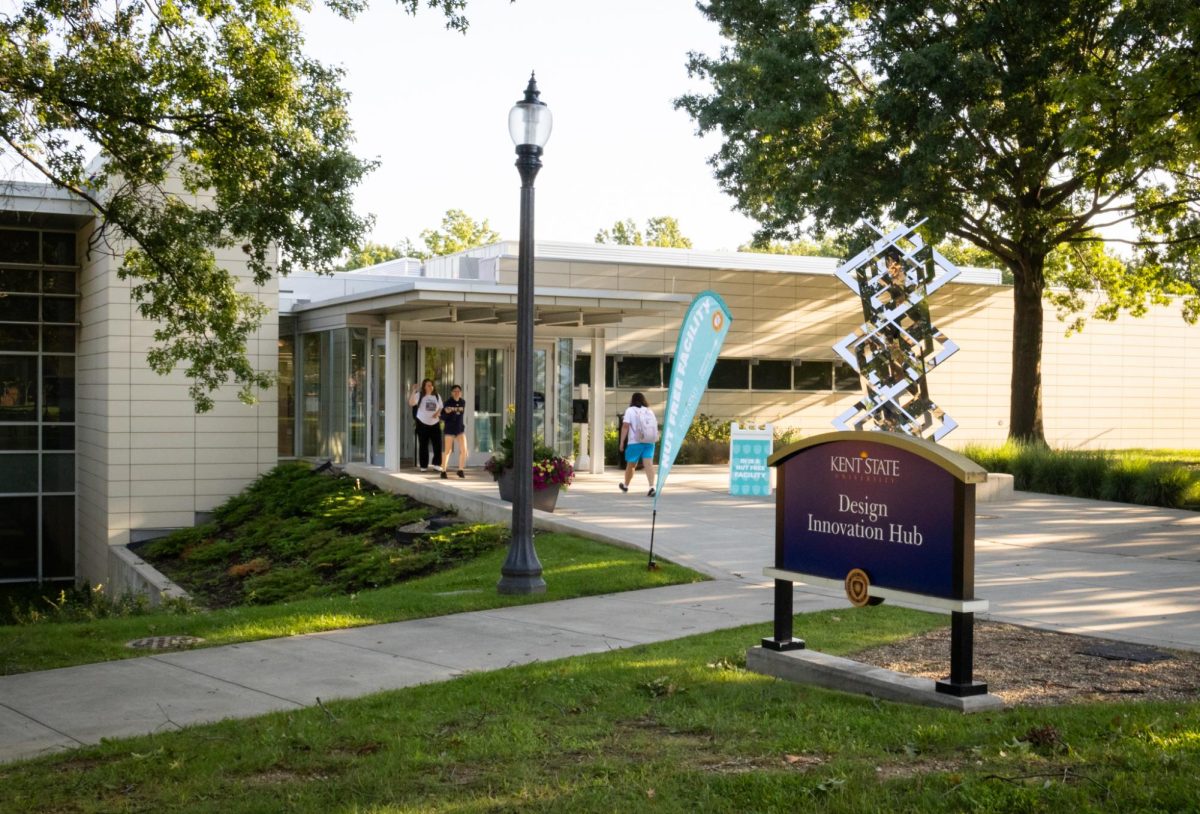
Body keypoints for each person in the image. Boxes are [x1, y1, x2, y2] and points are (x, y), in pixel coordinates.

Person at [618, 392, 658, 496]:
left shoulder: (630, 411)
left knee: (631, 465)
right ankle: (651, 487)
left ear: (632, 400)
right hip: (649, 441)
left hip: (635, 442)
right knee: (648, 464)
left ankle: (626, 486)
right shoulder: (649, 411)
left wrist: (622, 442)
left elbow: (625, 426)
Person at [408, 379, 443, 472]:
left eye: (431, 385)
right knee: (423, 445)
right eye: (428, 385)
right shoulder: (419, 395)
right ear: (424, 386)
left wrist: (437, 413)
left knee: (437, 445)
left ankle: (437, 464)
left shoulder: (436, 396)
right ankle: (423, 465)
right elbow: (411, 403)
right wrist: (413, 391)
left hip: (435, 423)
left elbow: (441, 407)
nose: (430, 387)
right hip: (422, 423)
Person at [440, 384, 468, 479]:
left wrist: (452, 410)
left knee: (464, 450)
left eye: (458, 391)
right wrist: (447, 413)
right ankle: (443, 471)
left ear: (461, 393)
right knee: (448, 450)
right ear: (451, 393)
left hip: (459, 429)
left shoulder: (462, 402)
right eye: (454, 391)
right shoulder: (447, 402)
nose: (456, 393)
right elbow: (442, 417)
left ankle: (460, 470)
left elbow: (459, 412)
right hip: (450, 429)